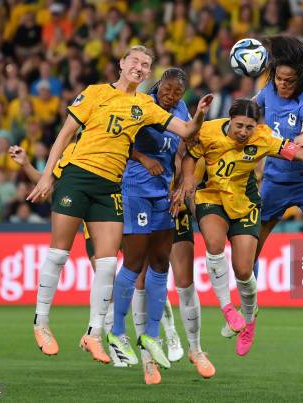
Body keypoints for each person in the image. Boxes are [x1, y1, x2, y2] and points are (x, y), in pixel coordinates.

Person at [28, 45, 212, 366]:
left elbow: (185, 131)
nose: (140, 68)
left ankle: (94, 335)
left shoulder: (145, 105)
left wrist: (198, 115)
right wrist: (46, 175)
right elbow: (65, 134)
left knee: (109, 264)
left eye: (146, 64)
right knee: (59, 254)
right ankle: (41, 323)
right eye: (135, 62)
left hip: (110, 186)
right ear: (122, 63)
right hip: (78, 177)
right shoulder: (95, 93)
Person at [175, 98, 303, 357]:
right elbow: (190, 156)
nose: (243, 132)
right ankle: (227, 309)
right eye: (239, 126)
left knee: (244, 270)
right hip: (212, 197)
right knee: (214, 244)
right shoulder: (209, 130)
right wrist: (189, 180)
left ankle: (249, 321)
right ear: (230, 119)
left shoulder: (263, 138)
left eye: (249, 127)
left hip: (245, 203)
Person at [106, 67, 214, 384]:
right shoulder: (141, 103)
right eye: (166, 90)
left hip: (164, 194)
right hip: (136, 189)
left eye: (177, 93)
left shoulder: (180, 110)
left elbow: (186, 145)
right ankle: (115, 333)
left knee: (160, 263)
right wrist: (142, 159)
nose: (171, 97)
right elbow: (118, 140)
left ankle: (155, 336)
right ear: (157, 87)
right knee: (135, 263)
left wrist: (182, 182)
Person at [218, 35, 303, 337]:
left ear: (300, 79)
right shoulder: (268, 91)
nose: (282, 84)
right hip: (275, 182)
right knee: (250, 248)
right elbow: (249, 113)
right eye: (278, 78)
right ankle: (246, 311)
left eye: (288, 81)